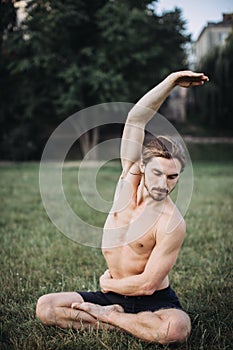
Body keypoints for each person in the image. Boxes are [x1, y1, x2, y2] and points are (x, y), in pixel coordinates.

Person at [36, 70, 209, 344]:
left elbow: (148, 284)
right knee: (46, 307)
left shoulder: (171, 223)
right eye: (157, 174)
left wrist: (107, 285)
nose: (164, 184)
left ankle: (108, 317)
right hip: (112, 294)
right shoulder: (127, 178)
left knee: (176, 330)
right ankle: (127, 322)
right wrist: (171, 80)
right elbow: (137, 117)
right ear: (142, 166)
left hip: (152, 299)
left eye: (173, 176)